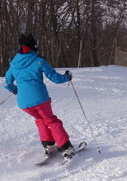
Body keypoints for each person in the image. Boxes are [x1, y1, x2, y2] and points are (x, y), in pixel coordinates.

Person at [4, 33, 75, 162]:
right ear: (33, 47)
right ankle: (66, 148)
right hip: (40, 99)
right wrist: (67, 77)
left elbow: (7, 83)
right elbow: (55, 78)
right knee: (52, 121)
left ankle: (48, 145)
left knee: (40, 120)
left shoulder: (14, 64)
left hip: (24, 103)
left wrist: (15, 90)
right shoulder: (38, 60)